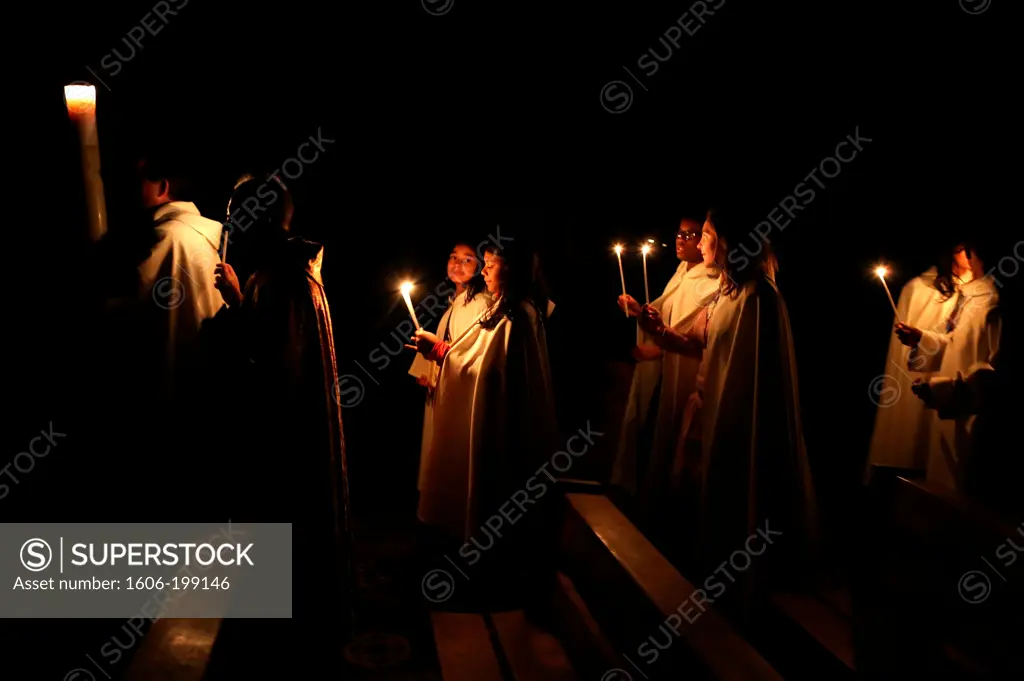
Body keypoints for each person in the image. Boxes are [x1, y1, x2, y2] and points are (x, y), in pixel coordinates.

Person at [639, 207, 817, 602]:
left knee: (731, 501)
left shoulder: (757, 297)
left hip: (734, 421)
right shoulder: (726, 289)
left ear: (728, 241)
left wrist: (724, 413)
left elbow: (751, 383)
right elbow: (696, 343)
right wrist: (658, 331)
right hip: (706, 413)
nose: (699, 241)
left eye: (706, 233)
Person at [211, 173, 351, 645]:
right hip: (298, 425)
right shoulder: (295, 271)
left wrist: (234, 306)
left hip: (288, 436)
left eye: (237, 216)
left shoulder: (280, 280)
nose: (230, 227)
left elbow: (274, 365)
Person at [409, 241, 557, 542]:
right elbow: (475, 358)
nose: (485, 268)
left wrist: (439, 352)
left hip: (501, 426)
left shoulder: (517, 316)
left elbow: (489, 377)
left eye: (493, 262)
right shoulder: (500, 308)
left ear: (513, 268)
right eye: (486, 261)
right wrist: (440, 353)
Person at [610, 217, 717, 519]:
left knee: (671, 445)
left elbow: (697, 340)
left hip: (683, 380)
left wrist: (657, 347)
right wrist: (637, 311)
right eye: (679, 233)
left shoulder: (710, 284)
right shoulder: (683, 273)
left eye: (693, 234)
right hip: (661, 375)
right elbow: (665, 317)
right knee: (650, 435)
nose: (682, 239)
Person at [893, 237, 1001, 494]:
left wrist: (943, 389)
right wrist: (923, 339)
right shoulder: (972, 296)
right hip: (949, 417)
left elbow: (996, 376)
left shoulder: (994, 305)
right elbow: (955, 344)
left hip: (971, 424)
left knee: (963, 506)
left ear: (969, 252)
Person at [865, 243, 977, 480]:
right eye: (960, 248)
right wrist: (919, 341)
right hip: (918, 396)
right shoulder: (917, 290)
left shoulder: (980, 290)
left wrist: (925, 340)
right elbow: (904, 360)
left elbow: (962, 347)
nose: (968, 255)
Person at [408, 242, 492, 520]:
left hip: (459, 400)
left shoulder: (478, 304)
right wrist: (428, 367)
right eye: (453, 257)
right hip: (442, 392)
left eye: (467, 260)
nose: (457, 264)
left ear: (481, 267)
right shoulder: (453, 304)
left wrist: (438, 352)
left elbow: (470, 354)